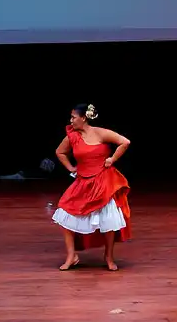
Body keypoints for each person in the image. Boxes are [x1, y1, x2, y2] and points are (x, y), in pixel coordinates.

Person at [51, 103, 131, 271]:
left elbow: (125, 142)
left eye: (73, 117)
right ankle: (71, 256)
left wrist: (112, 159)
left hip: (103, 181)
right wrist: (71, 168)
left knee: (108, 219)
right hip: (83, 181)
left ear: (83, 118)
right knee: (65, 212)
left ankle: (108, 257)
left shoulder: (100, 133)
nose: (71, 120)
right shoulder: (72, 136)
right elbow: (60, 152)